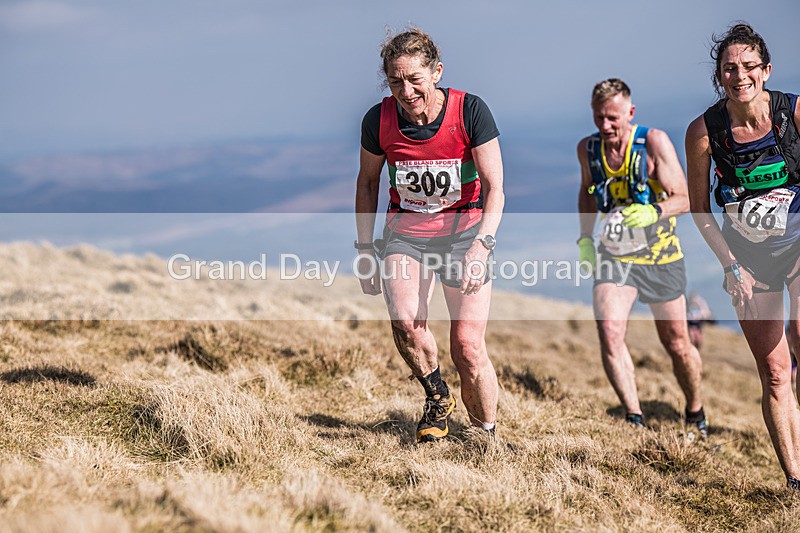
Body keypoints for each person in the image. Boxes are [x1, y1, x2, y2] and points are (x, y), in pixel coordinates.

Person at [354, 28, 504, 443]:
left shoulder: (470, 111)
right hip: (406, 233)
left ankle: (485, 436)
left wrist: (482, 244)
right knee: (405, 321)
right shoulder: (378, 120)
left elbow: (495, 188)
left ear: (436, 72)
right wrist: (366, 249)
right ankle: (437, 395)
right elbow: (367, 184)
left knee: (468, 348)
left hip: (466, 232)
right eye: (396, 81)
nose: (406, 90)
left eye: (415, 78)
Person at [685, 23, 800, 491]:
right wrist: (731, 266)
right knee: (775, 375)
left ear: (766, 70)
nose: (740, 75)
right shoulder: (704, 131)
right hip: (750, 262)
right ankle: (794, 481)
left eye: (749, 66)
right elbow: (699, 208)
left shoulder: (792, 113)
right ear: (719, 76)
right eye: (729, 68)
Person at [577, 79, 707, 437]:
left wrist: (652, 212)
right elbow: (587, 193)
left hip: (661, 255)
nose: (605, 126)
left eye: (613, 118)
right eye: (599, 117)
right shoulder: (588, 149)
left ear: (630, 113)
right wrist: (585, 240)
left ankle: (695, 411)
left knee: (677, 343)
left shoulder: (653, 142)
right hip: (614, 255)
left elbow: (685, 199)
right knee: (609, 331)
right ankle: (634, 417)